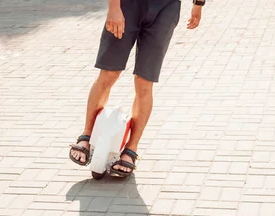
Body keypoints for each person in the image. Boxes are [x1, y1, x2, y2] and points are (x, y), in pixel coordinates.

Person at [69, 0, 206, 177]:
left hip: (166, 9)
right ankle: (86, 135)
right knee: (109, 73)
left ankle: (131, 150)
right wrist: (114, 7)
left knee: (144, 82)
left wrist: (198, 3)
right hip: (128, 5)